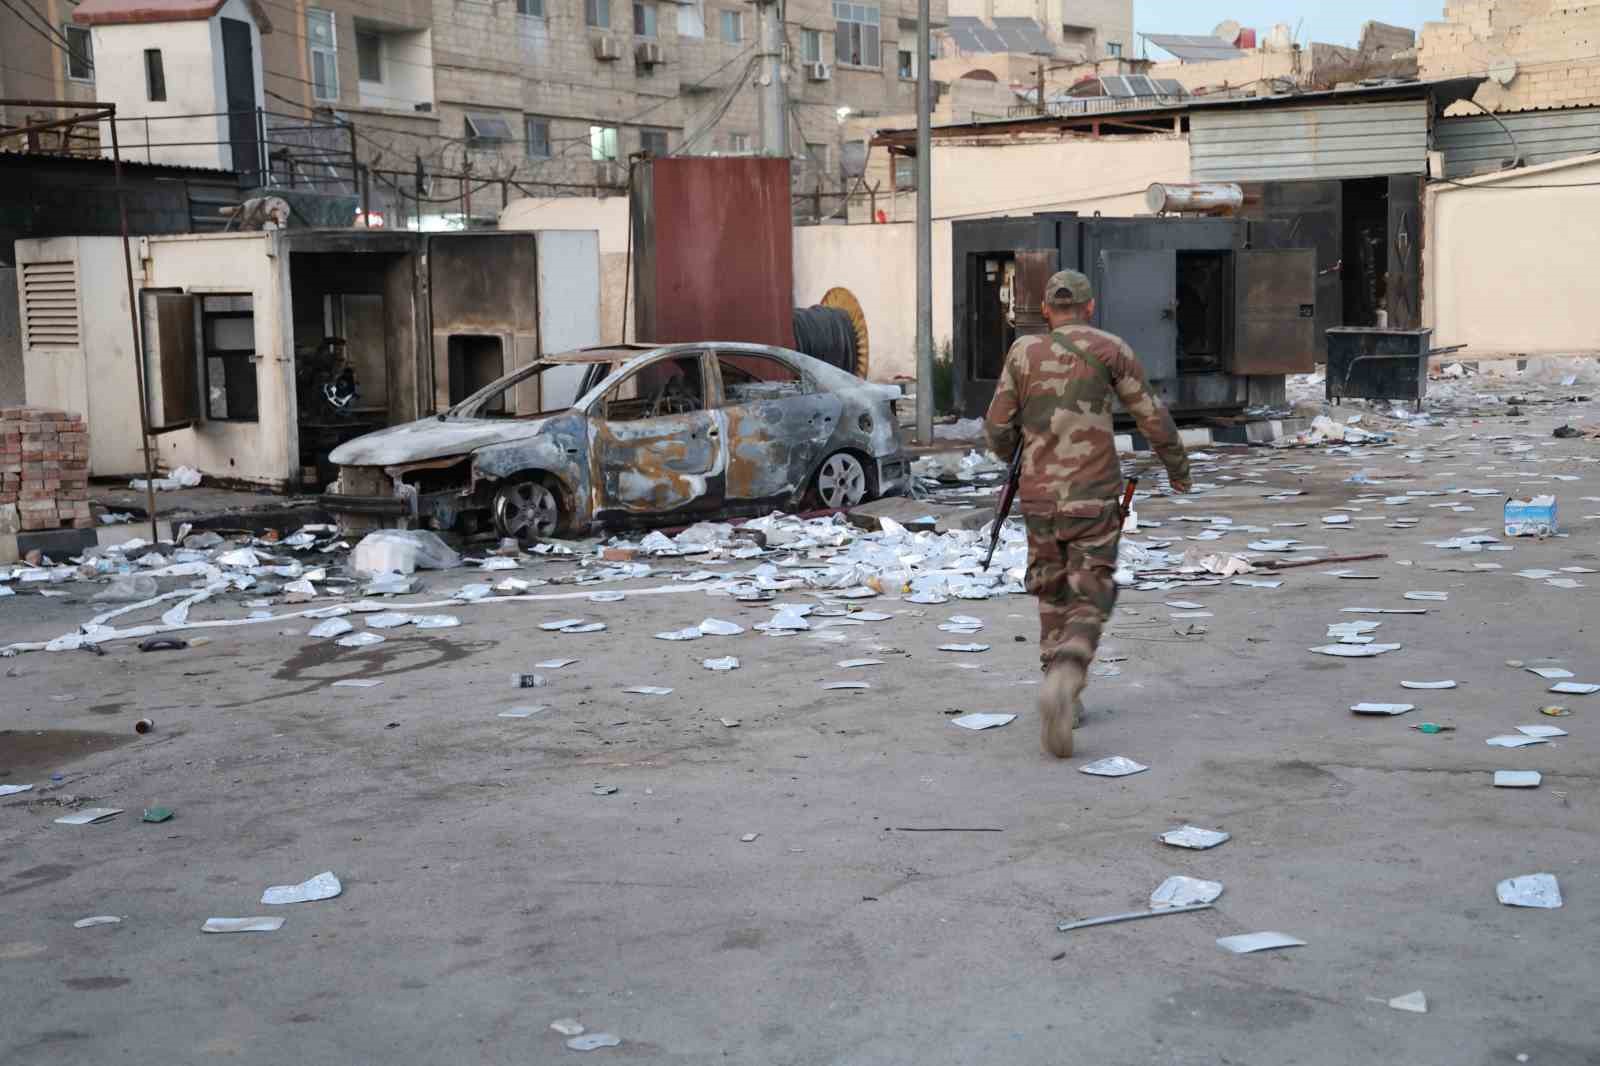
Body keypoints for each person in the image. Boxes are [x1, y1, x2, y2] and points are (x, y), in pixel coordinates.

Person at [984, 270, 1192, 759]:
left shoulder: (1022, 353)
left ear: (1045, 309)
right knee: (1091, 587)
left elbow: (996, 427)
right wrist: (1177, 468)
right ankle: (1068, 673)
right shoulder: (1110, 349)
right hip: (1094, 496)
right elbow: (1151, 417)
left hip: (1037, 496)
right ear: (1090, 307)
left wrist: (1023, 455)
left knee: (1050, 586)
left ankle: (1056, 685)